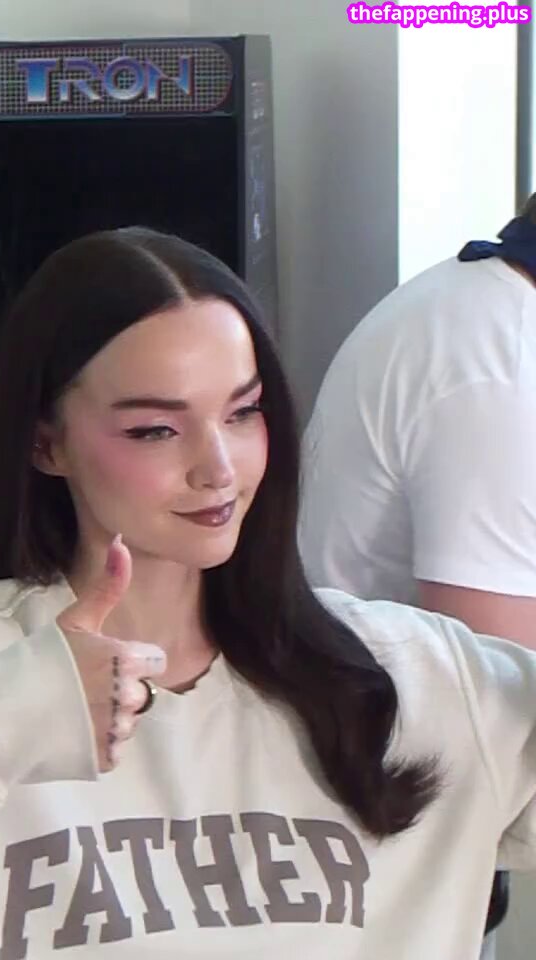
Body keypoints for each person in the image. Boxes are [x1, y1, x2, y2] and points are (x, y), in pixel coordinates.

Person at [0, 227, 536, 960]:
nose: (218, 468)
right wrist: (11, 710)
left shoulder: (420, 674)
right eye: (156, 429)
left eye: (242, 412)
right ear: (45, 443)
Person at [298, 200, 536, 949]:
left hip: (397, 792)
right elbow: (506, 696)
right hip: (385, 824)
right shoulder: (500, 369)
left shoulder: (484, 306)